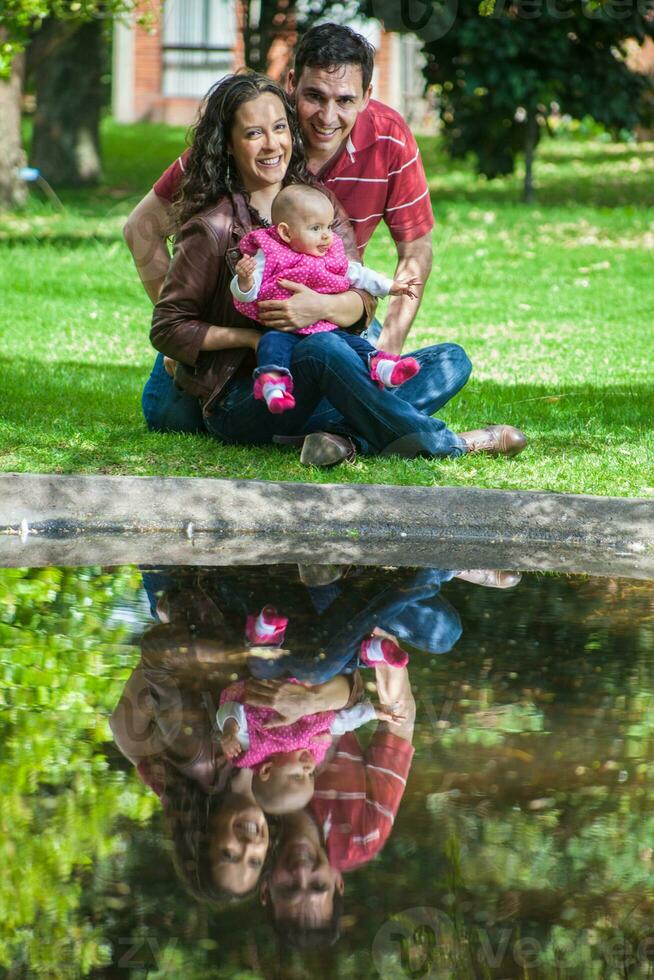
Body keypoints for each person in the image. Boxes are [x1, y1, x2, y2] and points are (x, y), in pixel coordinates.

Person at [126, 24, 527, 465]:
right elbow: (149, 256)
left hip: (330, 331)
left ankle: (337, 439)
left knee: (448, 360)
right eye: (315, 97)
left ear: (366, 95)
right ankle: (448, 442)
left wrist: (346, 323)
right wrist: (197, 345)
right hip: (245, 369)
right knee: (171, 416)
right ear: (293, 86)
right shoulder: (224, 194)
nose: (326, 115)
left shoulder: (329, 193)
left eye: (345, 100)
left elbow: (392, 269)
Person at [257, 663, 416, 947]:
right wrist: (387, 648)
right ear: (337, 883)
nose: (302, 871)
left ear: (266, 891)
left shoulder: (246, 833)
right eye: (318, 885)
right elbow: (398, 724)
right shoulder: (362, 837)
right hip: (335, 668)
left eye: (289, 887)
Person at [232, 183, 421, 413]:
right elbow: (250, 291)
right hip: (283, 329)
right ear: (285, 232)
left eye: (329, 227)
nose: (326, 236)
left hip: (325, 329)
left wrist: (391, 286)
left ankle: (383, 368)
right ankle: (273, 387)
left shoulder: (330, 255)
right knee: (271, 345)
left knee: (353, 344)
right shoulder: (270, 253)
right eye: (315, 228)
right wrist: (244, 281)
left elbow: (358, 274)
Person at [216, 677, 401, 814]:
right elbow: (339, 724)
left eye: (298, 775)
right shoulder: (314, 746)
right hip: (314, 685)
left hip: (272, 682)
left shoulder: (254, 747)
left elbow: (234, 711)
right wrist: (370, 713)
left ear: (267, 770)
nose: (309, 767)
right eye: (310, 774)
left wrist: (230, 730)